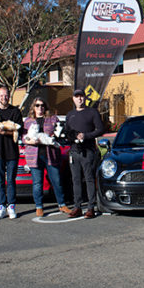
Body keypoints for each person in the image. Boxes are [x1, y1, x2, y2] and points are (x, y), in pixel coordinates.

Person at [22, 98, 72, 217]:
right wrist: (30, 140)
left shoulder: (52, 119)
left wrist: (55, 134)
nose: (40, 108)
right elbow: (23, 137)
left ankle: (62, 204)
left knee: (57, 181)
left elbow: (60, 131)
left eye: (42, 105)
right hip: (34, 155)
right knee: (37, 183)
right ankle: (39, 206)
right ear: (33, 107)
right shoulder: (28, 121)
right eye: (37, 105)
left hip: (51, 154)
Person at [65, 89, 104, 219]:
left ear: (85, 98)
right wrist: (71, 136)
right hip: (74, 151)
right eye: (77, 97)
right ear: (73, 99)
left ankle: (90, 207)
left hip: (88, 151)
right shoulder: (70, 114)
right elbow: (67, 132)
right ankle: (77, 207)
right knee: (75, 180)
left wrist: (85, 136)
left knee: (89, 179)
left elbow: (100, 129)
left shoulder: (92, 112)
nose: (79, 99)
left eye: (81, 96)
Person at [0, 86, 23, 219]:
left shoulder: (15, 111)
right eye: (1, 95)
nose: (4, 97)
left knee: (11, 180)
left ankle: (11, 206)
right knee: (0, 181)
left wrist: (3, 131)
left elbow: (18, 131)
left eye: (6, 95)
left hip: (12, 152)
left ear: (9, 96)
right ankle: (1, 207)